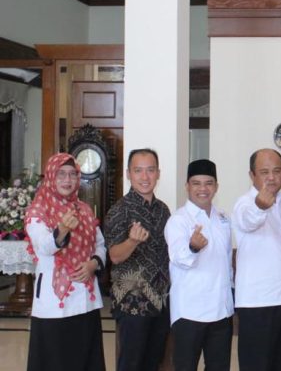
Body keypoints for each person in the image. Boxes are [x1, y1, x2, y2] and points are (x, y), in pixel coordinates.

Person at [24, 153, 106, 371]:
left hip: (86, 301)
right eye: (61, 174)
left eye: (72, 174)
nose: (67, 180)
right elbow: (43, 246)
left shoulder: (84, 210)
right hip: (54, 305)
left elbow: (100, 244)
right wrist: (62, 229)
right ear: (51, 176)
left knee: (85, 360)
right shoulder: (38, 210)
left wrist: (93, 263)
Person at [103, 148, 171, 371]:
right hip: (132, 304)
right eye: (138, 170)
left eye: (150, 170)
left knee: (153, 363)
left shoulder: (163, 210)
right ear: (128, 174)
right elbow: (114, 256)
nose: (145, 177)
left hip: (160, 301)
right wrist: (132, 241)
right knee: (131, 364)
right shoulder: (119, 211)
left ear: (158, 173)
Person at [232, 149, 281, 371]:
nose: (271, 177)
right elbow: (247, 220)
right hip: (258, 304)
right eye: (264, 172)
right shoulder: (245, 203)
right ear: (252, 175)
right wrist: (259, 207)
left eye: (277, 171)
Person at [165, 159, 233, 371]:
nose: (203, 189)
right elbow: (178, 257)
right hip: (189, 311)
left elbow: (227, 260)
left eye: (208, 183)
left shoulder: (223, 217)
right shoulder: (178, 220)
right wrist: (193, 247)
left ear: (216, 186)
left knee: (219, 367)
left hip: (221, 310)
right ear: (187, 186)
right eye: (196, 183)